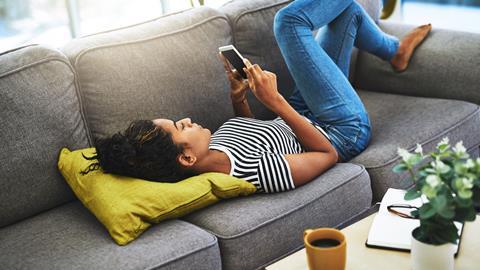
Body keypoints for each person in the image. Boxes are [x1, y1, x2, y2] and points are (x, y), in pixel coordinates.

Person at [81, 0, 431, 193]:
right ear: (186, 158)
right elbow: (328, 154)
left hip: (303, 111)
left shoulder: (212, 146)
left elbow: (254, 135)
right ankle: (394, 50)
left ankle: (395, 51)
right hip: (340, 129)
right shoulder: (255, 173)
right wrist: (275, 102)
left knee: (348, 12)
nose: (184, 118)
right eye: (178, 127)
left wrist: (240, 98)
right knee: (289, 22)